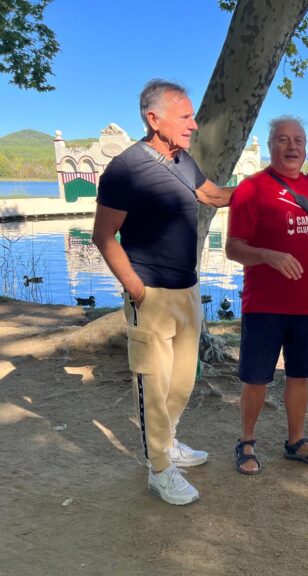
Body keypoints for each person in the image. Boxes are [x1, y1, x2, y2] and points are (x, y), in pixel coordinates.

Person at [93, 79, 233, 505]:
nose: (193, 125)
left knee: (184, 381)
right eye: (185, 116)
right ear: (154, 119)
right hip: (150, 295)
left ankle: (168, 443)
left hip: (188, 290)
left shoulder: (182, 160)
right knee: (153, 385)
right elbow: (104, 235)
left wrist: (267, 189)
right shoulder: (126, 168)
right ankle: (159, 469)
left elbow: (212, 195)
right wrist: (135, 288)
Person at [226, 116, 308, 474]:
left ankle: (296, 440)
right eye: (283, 140)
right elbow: (232, 248)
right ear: (271, 144)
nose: (292, 147)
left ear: (306, 147)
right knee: (256, 377)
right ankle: (246, 440)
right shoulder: (251, 188)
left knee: (300, 375)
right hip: (264, 305)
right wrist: (268, 256)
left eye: (298, 140)